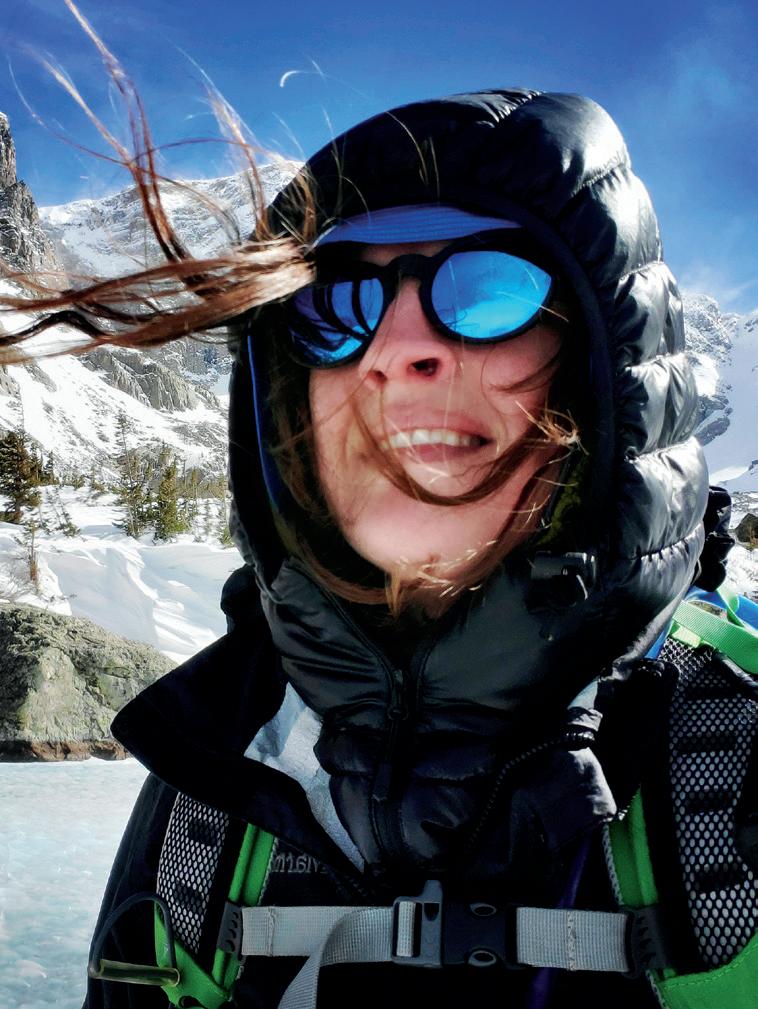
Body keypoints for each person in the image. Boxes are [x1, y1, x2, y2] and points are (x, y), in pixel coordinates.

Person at [2, 62, 755, 1009]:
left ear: (606, 370)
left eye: (490, 288)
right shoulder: (216, 776)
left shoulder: (734, 760)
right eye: (337, 304)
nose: (398, 350)